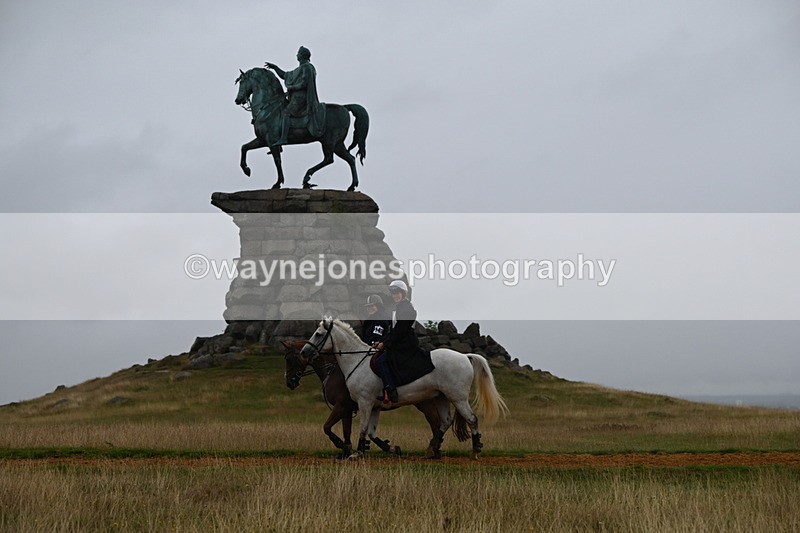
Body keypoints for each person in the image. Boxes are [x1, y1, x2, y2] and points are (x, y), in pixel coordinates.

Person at [264, 46, 325, 145]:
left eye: (298, 53)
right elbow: (285, 75)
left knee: (286, 112)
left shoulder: (307, 67)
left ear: (302, 56)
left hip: (302, 98)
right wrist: (275, 68)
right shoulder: (299, 69)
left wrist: (292, 88)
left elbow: (304, 83)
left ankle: (284, 138)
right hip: (295, 98)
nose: (297, 55)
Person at [373, 280, 418, 405]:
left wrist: (385, 344)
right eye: (393, 294)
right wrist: (381, 341)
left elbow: (400, 331)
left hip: (406, 343)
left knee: (381, 361)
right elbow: (393, 331)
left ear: (403, 294)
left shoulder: (406, 308)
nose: (395, 296)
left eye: (398, 293)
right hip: (400, 341)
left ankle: (391, 390)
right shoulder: (399, 308)